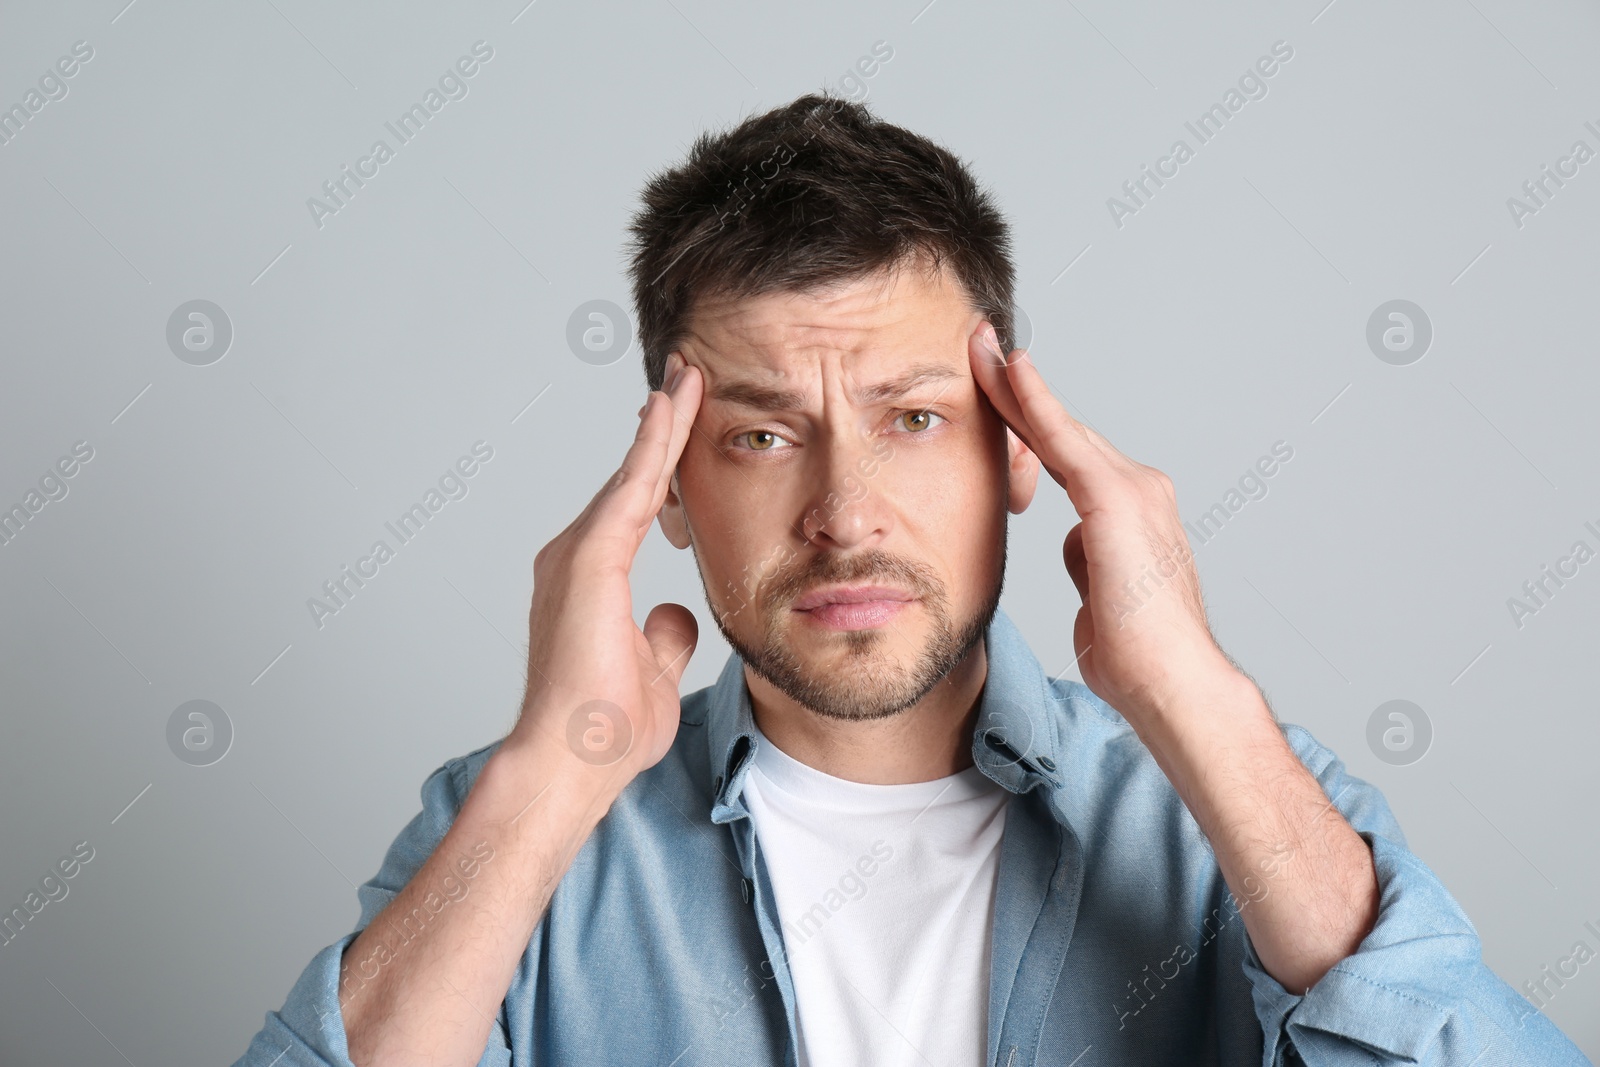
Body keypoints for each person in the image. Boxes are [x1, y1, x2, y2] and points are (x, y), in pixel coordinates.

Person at [232, 93, 1590, 1067]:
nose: (843, 513)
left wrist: (1195, 699)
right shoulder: (516, 835)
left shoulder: (1240, 813)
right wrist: (550, 775)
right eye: (761, 436)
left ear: (1021, 453)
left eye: (916, 418)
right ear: (667, 500)